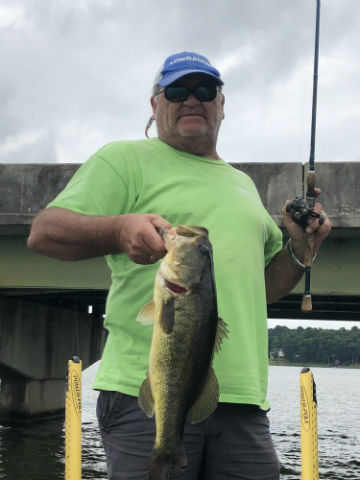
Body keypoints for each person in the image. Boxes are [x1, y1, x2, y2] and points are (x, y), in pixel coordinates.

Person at [27, 51, 331, 480]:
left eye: (205, 90)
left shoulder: (243, 185)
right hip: (143, 396)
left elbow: (260, 289)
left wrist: (300, 249)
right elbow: (44, 232)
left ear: (221, 104)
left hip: (244, 403)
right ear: (155, 105)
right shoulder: (123, 159)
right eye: (177, 90)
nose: (192, 100)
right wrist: (118, 229)